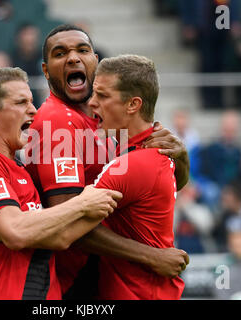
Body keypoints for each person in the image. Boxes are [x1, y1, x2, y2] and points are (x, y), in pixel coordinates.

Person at [0, 24, 190, 299]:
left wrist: (180, 158)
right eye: (60, 53)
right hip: (78, 277)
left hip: (107, 274)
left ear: (95, 61)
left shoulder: (108, 122)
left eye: (82, 50)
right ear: (46, 70)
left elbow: (157, 185)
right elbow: (67, 224)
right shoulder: (57, 122)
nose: (73, 58)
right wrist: (150, 256)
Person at [0, 66, 122, 300]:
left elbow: (60, 237)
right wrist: (82, 204)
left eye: (31, 101)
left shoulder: (19, 168)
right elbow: (15, 231)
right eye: (21, 102)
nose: (33, 110)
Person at [89, 54, 185, 299]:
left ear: (133, 105)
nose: (92, 103)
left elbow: (72, 230)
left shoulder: (134, 164)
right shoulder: (153, 152)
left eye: (102, 95)